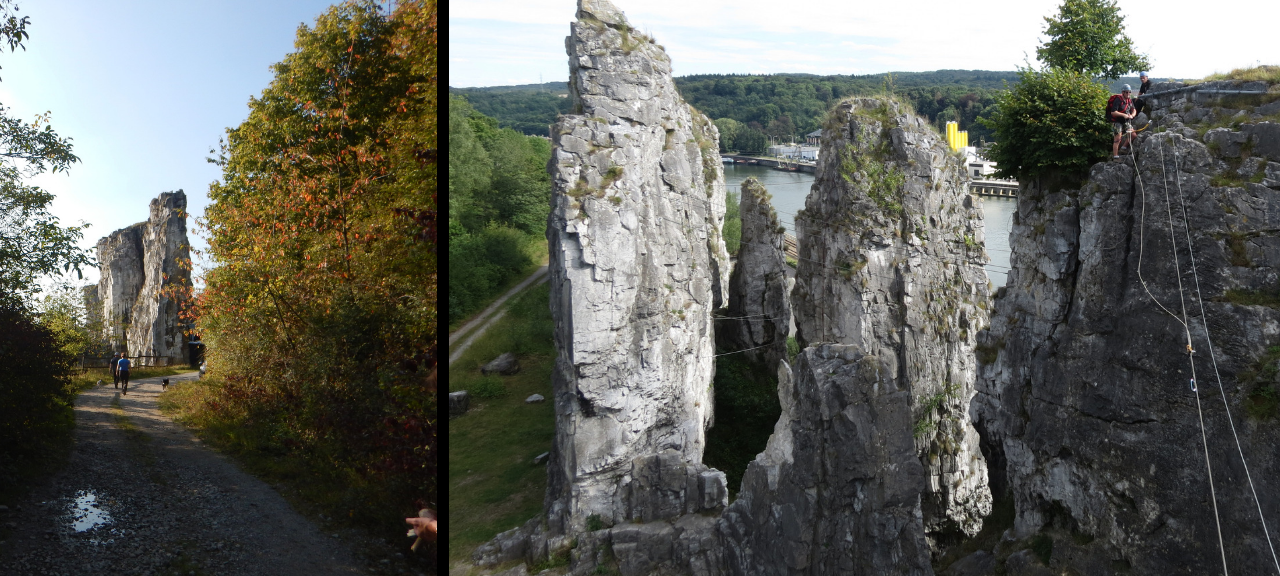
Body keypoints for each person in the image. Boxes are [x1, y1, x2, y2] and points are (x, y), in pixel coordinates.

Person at [1109, 84, 1136, 159]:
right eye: (1126, 92)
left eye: (1129, 92)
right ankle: (1115, 156)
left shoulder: (1129, 100)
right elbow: (1113, 112)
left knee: (1133, 135)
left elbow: (1134, 109)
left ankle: (1123, 148)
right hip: (1117, 121)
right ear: (1123, 92)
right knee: (1117, 138)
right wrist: (1123, 115)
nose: (1128, 94)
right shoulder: (1118, 100)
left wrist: (1132, 115)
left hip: (1126, 120)